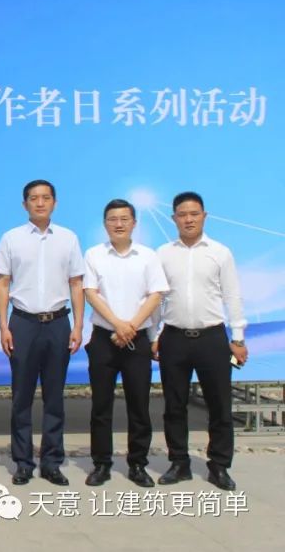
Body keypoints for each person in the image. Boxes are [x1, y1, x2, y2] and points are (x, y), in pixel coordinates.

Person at [0, 180, 85, 486]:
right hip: (23, 324)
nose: (40, 203)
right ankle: (23, 462)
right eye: (34, 198)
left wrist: (78, 326)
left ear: (55, 203)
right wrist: (4, 326)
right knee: (21, 397)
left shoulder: (68, 238)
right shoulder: (11, 238)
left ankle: (51, 462)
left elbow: (76, 283)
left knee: (54, 397)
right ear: (25, 204)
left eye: (46, 198)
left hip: (58, 323)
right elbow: (2, 283)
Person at [155, 191, 247, 491]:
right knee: (174, 404)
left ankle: (219, 465)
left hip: (212, 338)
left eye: (194, 214)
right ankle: (179, 462)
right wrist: (154, 335)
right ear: (174, 219)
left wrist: (238, 337)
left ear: (204, 216)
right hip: (174, 337)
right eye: (182, 214)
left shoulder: (220, 252)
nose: (189, 219)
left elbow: (232, 295)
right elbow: (156, 299)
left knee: (219, 405)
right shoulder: (163, 254)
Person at [82, 199, 168, 488]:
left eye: (124, 219)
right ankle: (101, 464)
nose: (118, 224)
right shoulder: (94, 254)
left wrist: (130, 327)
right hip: (104, 339)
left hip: (137, 340)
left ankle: (138, 464)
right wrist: (118, 325)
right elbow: (91, 293)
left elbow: (156, 295)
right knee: (101, 406)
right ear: (105, 223)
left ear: (134, 223)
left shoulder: (148, 256)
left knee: (139, 405)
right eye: (112, 219)